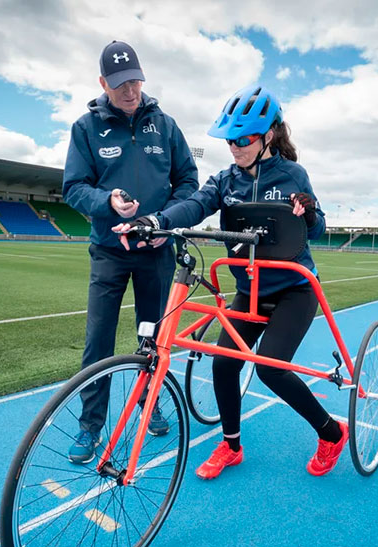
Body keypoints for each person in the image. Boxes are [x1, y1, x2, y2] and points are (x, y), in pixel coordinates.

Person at [114, 85, 348, 479]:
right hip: (249, 290)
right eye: (229, 139)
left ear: (267, 136)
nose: (234, 147)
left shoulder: (294, 175)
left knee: (272, 369)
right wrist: (154, 221)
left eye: (243, 139)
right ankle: (231, 445)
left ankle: (331, 432)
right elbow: (193, 205)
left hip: (294, 290)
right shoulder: (225, 180)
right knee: (224, 363)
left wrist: (308, 212)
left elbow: (319, 230)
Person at [62, 40, 200, 464]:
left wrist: (166, 223)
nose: (130, 91)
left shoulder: (166, 125)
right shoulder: (86, 128)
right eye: (120, 84)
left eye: (135, 81)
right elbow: (73, 188)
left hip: (156, 250)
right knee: (97, 342)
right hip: (109, 250)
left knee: (154, 339)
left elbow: (189, 184)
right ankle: (91, 425)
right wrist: (108, 203)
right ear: (103, 82)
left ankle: (149, 404)